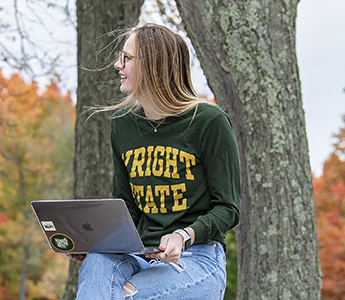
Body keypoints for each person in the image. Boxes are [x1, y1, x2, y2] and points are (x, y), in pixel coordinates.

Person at [67, 23, 241, 299]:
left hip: (198, 258)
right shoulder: (122, 125)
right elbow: (128, 209)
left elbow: (228, 208)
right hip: (139, 255)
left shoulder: (209, 122)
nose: (117, 65)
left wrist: (183, 235)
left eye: (127, 58)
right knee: (97, 262)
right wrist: (97, 242)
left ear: (153, 66)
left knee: (125, 296)